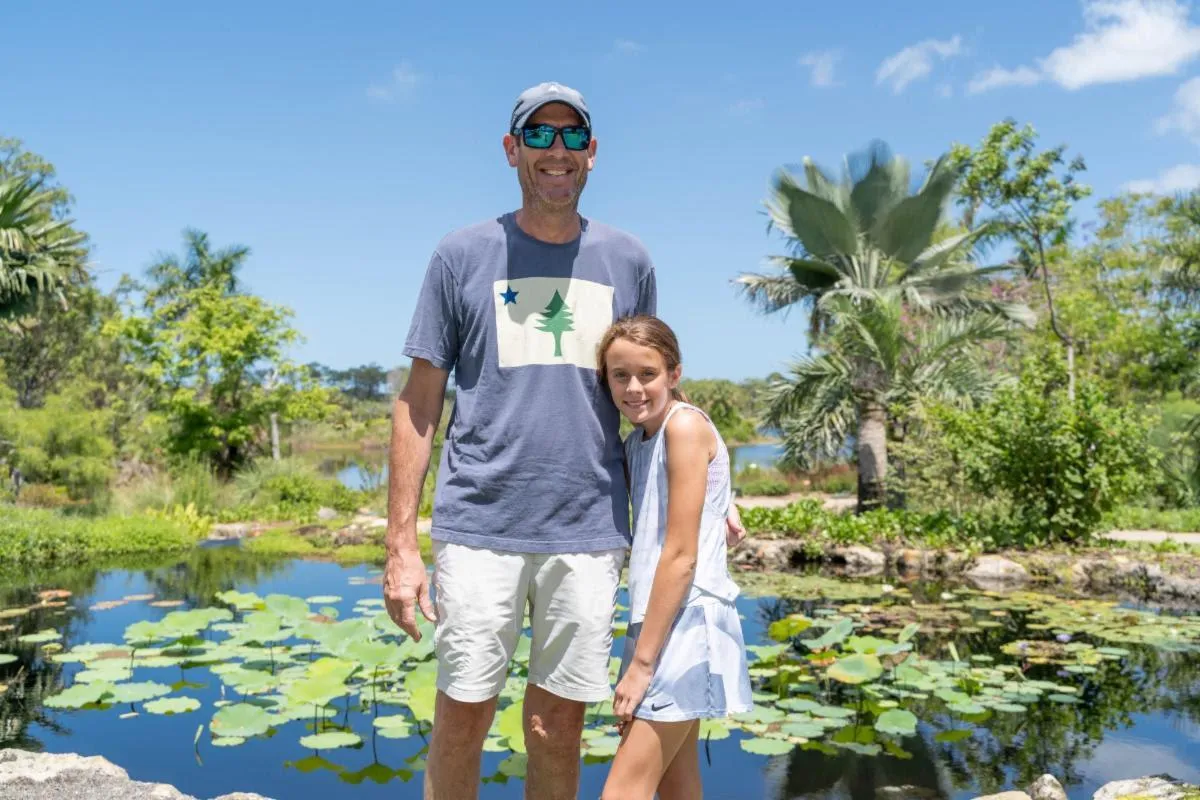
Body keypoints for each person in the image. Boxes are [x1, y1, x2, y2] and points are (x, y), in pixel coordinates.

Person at [384, 81, 654, 800]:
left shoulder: (629, 261)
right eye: (539, 135)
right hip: (480, 527)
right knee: (462, 718)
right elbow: (417, 406)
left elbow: (650, 393)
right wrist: (401, 547)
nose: (556, 150)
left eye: (572, 136)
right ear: (512, 150)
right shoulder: (461, 254)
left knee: (557, 729)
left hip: (589, 528)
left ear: (592, 154)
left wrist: (712, 478)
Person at [597, 315, 753, 800]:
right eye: (619, 375)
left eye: (648, 373)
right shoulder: (639, 439)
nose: (634, 387)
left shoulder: (683, 427)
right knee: (676, 788)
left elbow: (682, 556)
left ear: (674, 374)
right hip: (657, 620)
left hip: (685, 626)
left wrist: (642, 665)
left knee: (622, 793)